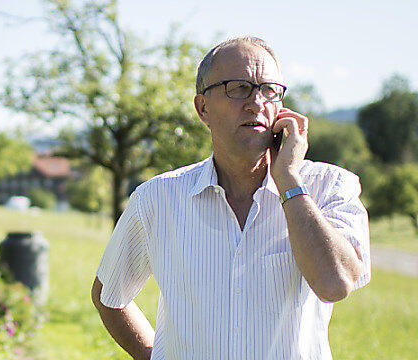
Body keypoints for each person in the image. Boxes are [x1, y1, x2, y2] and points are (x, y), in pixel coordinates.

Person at [91, 36, 371, 360]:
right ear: (202, 108)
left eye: (268, 89)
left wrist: (289, 180)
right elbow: (109, 295)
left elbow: (334, 284)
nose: (256, 102)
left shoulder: (331, 187)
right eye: (237, 88)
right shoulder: (156, 200)